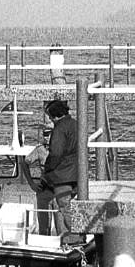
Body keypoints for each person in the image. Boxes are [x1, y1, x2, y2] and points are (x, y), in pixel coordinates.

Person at [35, 100, 83, 245]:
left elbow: (56, 153)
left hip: (63, 174)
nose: (49, 119)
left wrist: (48, 169)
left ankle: (75, 234)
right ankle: (77, 232)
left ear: (55, 115)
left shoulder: (60, 128)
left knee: (64, 204)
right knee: (71, 204)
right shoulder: (76, 124)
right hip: (78, 170)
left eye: (50, 116)